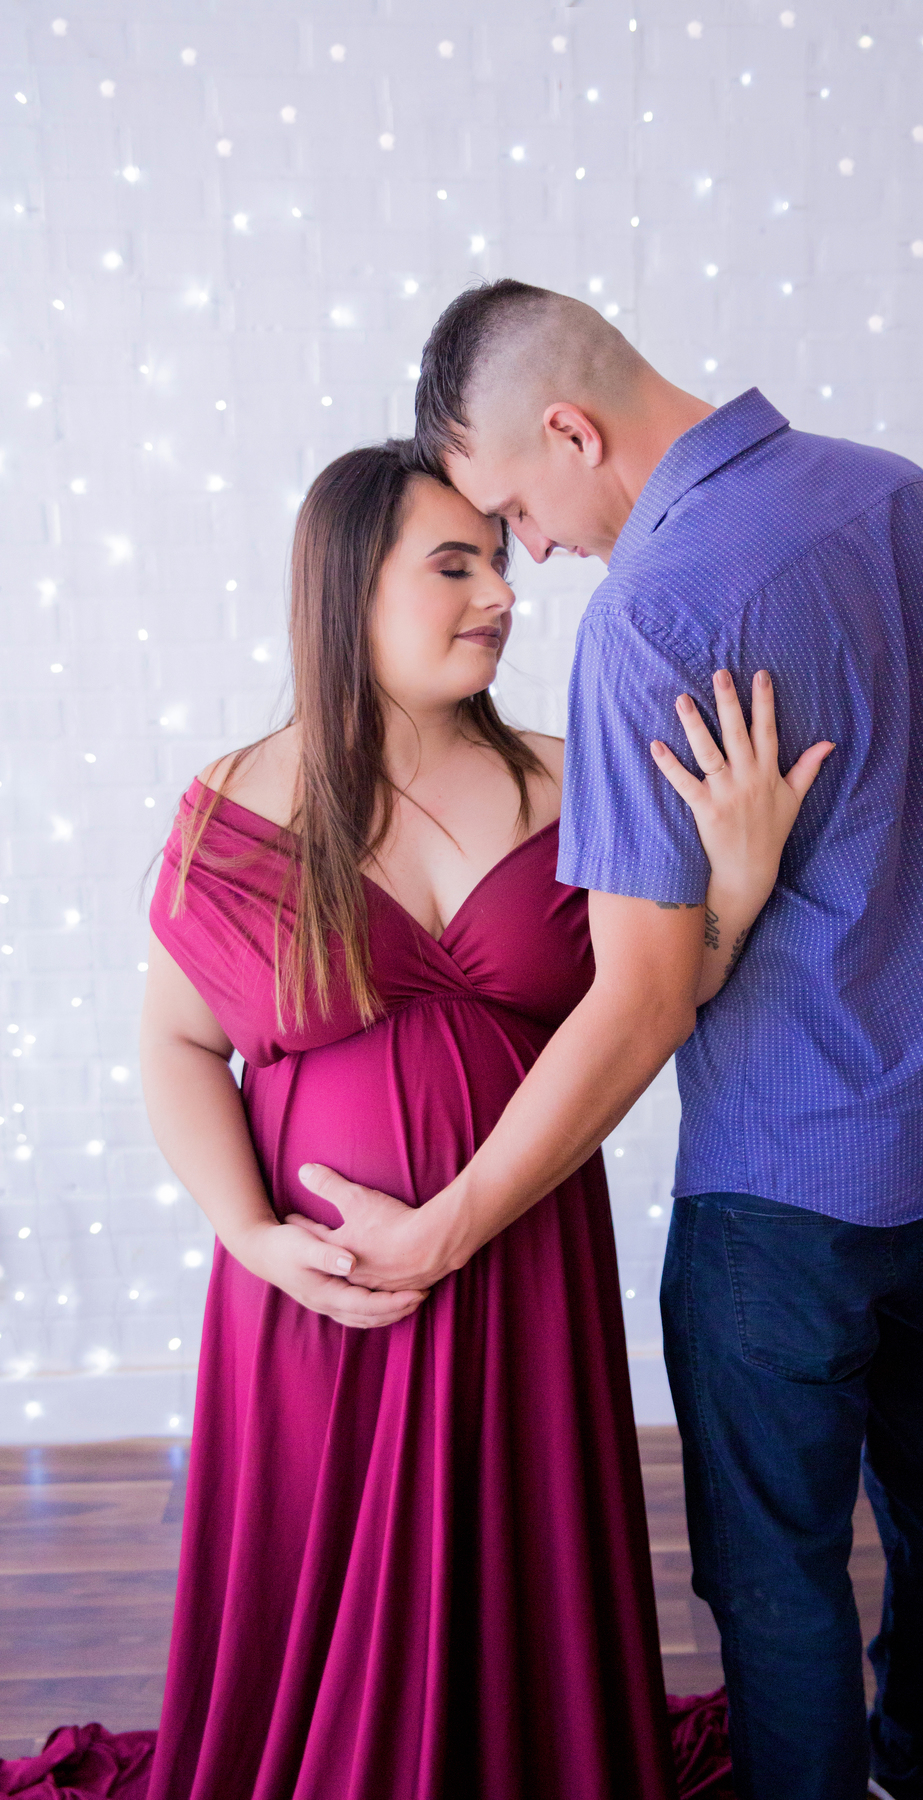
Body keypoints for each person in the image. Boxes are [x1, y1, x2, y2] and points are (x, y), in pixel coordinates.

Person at [299, 280, 923, 1800]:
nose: (542, 556)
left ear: (572, 430)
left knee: (775, 1575)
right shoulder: (904, 497)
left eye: (523, 505)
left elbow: (639, 1002)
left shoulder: (654, 612)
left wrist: (441, 1232)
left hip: (780, 1191)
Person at [2, 439, 824, 1800]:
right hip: (318, 1303)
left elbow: (652, 1001)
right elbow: (176, 1039)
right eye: (454, 564)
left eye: (500, 562)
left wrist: (733, 885)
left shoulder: (580, 781)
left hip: (519, 1260)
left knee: (514, 1571)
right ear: (345, 585)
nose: (498, 593)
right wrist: (253, 1237)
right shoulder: (237, 803)